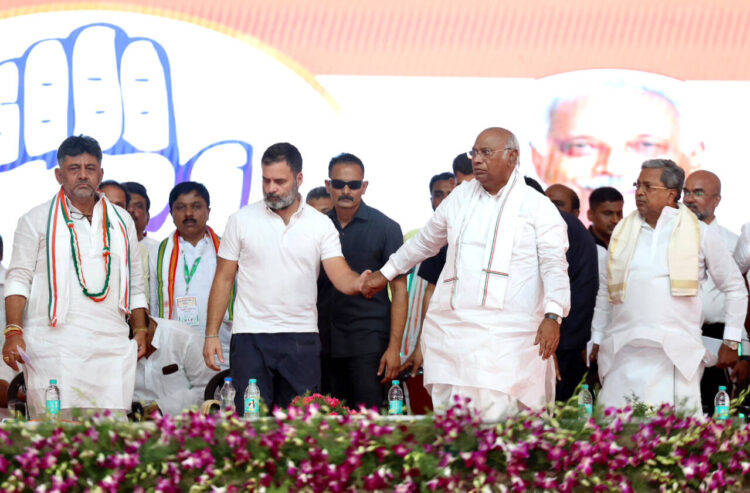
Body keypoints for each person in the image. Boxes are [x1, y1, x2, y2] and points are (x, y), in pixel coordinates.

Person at [362, 127, 570, 421]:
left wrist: (553, 315)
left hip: (508, 340)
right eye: (475, 152)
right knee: (457, 430)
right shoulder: (460, 197)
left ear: (512, 158)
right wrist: (385, 274)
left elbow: (554, 265)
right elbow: (425, 242)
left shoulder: (537, 207)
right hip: (455, 335)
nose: (477, 160)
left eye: (487, 153)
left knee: (502, 429)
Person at [203, 142, 369, 413]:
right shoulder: (240, 220)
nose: (271, 188)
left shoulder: (320, 224)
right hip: (250, 337)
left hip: (300, 337)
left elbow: (340, 274)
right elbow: (223, 279)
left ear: (299, 179)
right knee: (251, 423)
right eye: (266, 180)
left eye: (279, 181)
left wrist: (361, 282)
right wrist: (211, 334)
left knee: (300, 425)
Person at [3, 135, 148, 418]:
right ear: (59, 175)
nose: (83, 175)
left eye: (90, 168)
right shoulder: (35, 219)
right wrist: (13, 330)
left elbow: (135, 284)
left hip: (111, 349)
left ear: (101, 173)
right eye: (74, 168)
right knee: (55, 438)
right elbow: (18, 278)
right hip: (55, 349)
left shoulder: (122, 221)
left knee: (111, 438)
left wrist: (140, 329)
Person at [589, 159, 746, 414]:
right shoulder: (622, 233)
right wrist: (596, 338)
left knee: (673, 440)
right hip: (623, 351)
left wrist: (731, 341)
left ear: (671, 194)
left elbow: (735, 288)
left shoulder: (699, 233)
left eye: (648, 186)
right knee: (616, 437)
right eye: (637, 185)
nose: (639, 192)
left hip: (675, 355)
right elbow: (605, 292)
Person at [530, 71, 703, 222]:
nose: (614, 167)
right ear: (540, 161)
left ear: (693, 160)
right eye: (583, 146)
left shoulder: (698, 239)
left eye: (646, 145)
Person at [317, 153, 407, 409]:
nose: (346, 191)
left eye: (354, 185)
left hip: (369, 344)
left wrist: (394, 349)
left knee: (369, 425)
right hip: (322, 344)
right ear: (328, 185)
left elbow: (399, 290)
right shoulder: (315, 226)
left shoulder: (386, 228)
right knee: (326, 426)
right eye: (339, 184)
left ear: (364, 186)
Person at [683, 170, 747, 414]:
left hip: (719, 340)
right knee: (678, 412)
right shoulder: (668, 239)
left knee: (716, 414)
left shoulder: (733, 243)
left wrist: (743, 354)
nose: (689, 199)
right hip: (681, 335)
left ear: (716, 200)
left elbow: (741, 297)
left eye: (698, 193)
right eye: (686, 192)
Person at [151, 182, 232, 370]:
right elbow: (154, 303)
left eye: (196, 206)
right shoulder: (158, 252)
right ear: (171, 214)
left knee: (219, 397)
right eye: (181, 208)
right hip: (172, 347)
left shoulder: (227, 249)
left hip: (220, 342)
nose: (189, 214)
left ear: (208, 211)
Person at [402, 172, 456, 376]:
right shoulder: (414, 237)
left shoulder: (460, 239)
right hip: (416, 329)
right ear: (431, 199)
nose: (444, 201)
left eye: (450, 194)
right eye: (439, 195)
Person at [133, 315, 215, 416]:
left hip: (182, 422)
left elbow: (208, 388)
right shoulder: (114, 343)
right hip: (128, 422)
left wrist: (162, 408)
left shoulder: (184, 338)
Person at [124, 181, 158, 301]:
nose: (131, 210)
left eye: (138, 206)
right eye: (125, 205)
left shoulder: (159, 250)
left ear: (147, 217)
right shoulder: (101, 246)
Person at [587, 187, 624, 251]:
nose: (615, 220)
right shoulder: (580, 245)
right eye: (608, 213)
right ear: (591, 215)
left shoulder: (628, 244)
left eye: (619, 214)